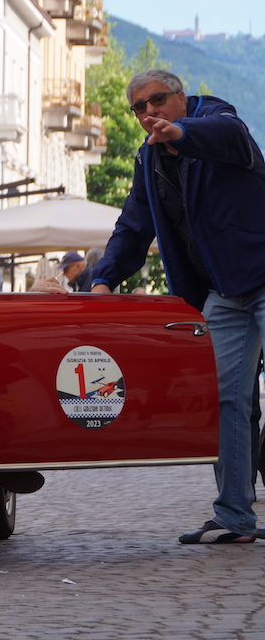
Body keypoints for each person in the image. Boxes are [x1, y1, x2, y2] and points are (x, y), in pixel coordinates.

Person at [89, 69, 265, 544]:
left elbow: (230, 137)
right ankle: (234, 518)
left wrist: (182, 133)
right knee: (224, 400)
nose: (150, 113)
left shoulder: (218, 118)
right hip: (223, 293)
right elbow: (133, 224)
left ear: (182, 97)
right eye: (139, 108)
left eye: (158, 100)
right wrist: (103, 278)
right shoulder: (148, 161)